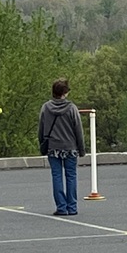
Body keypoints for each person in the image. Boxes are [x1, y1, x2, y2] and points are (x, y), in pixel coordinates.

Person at [38, 78, 86, 216]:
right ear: (64, 93)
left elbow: (41, 129)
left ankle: (61, 207)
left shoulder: (46, 107)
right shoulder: (72, 108)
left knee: (57, 176)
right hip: (70, 147)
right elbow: (78, 130)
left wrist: (42, 145)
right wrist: (81, 149)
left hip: (53, 147)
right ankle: (72, 207)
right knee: (71, 176)